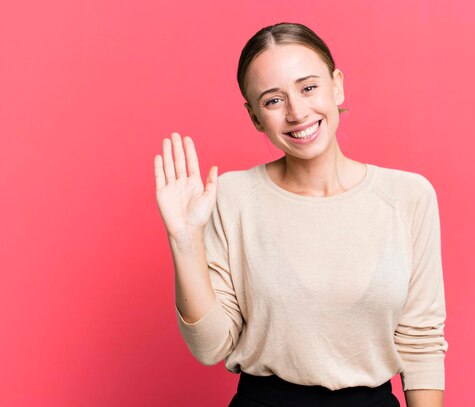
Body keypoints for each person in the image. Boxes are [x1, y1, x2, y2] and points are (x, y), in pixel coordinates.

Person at [154, 22, 448, 407]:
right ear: (255, 117)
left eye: (308, 87)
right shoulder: (230, 197)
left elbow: (421, 343)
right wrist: (184, 239)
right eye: (273, 100)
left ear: (336, 85)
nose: (296, 112)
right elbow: (211, 348)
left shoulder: (409, 196)